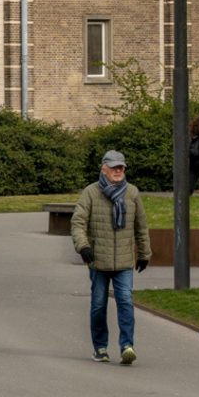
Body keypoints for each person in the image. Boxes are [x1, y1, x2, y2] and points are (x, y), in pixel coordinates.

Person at [71, 149, 152, 364]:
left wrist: (144, 254)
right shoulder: (91, 192)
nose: (118, 171)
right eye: (114, 167)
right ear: (103, 169)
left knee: (125, 301)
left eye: (121, 167)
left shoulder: (132, 192)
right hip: (98, 260)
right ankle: (100, 347)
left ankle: (127, 346)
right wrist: (83, 246)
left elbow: (141, 226)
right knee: (99, 305)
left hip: (124, 261)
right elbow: (78, 223)